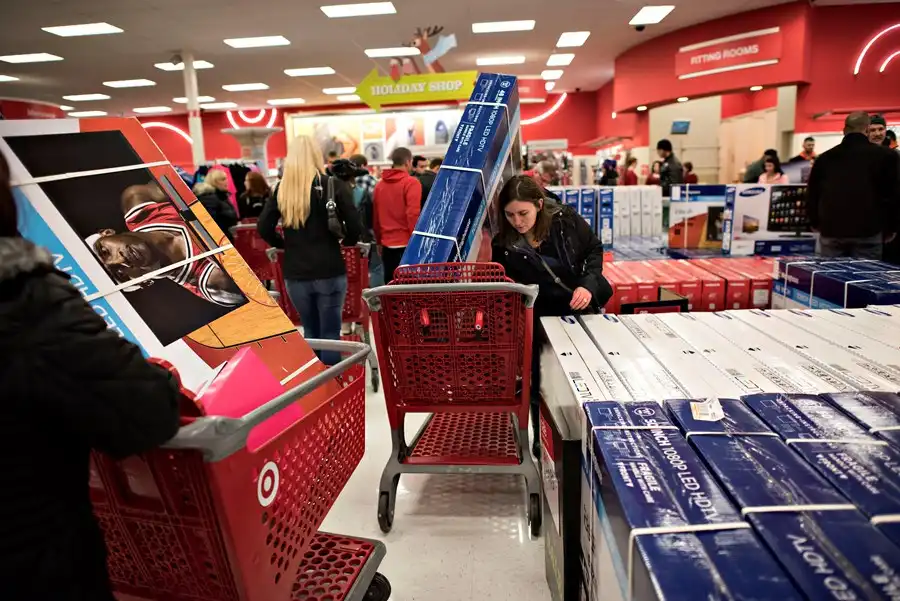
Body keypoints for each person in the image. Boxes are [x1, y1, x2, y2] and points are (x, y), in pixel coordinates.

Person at [0, 151, 184, 600]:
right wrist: (161, 377)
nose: (120, 263)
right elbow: (146, 411)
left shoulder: (141, 201)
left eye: (109, 256)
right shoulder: (28, 302)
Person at [491, 175, 612, 455]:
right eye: (509, 215)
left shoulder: (565, 221)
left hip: (577, 308)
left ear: (539, 205)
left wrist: (588, 285)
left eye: (523, 213)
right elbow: (504, 284)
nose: (517, 221)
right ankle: (541, 437)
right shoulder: (504, 243)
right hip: (537, 316)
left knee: (583, 374)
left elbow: (593, 249)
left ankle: (587, 436)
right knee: (540, 379)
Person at [258, 136, 361, 365]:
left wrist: (284, 244)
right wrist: (346, 242)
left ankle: (315, 380)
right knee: (331, 334)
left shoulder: (281, 190)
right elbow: (355, 225)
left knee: (310, 331)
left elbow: (263, 226)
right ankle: (332, 380)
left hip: (296, 271)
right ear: (317, 155)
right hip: (329, 268)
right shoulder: (334, 185)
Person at [91, 183, 244, 306]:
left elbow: (186, 178)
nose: (121, 260)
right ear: (144, 283)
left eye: (105, 252)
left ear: (107, 233)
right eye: (120, 273)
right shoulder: (215, 283)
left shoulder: (138, 200)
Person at [807, 111, 900, 259]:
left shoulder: (824, 158)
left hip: (832, 229)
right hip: (868, 230)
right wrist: (892, 227)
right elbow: (893, 194)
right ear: (867, 129)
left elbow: (813, 193)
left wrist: (814, 222)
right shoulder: (887, 157)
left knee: (832, 272)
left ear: (844, 130)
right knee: (864, 273)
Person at [373, 147, 421, 283]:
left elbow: (376, 217)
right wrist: (416, 241)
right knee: (410, 288)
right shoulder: (412, 183)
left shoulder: (379, 186)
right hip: (406, 245)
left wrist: (379, 241)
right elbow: (412, 214)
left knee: (391, 288)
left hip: (387, 246)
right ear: (408, 162)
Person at [192, 170, 238, 239]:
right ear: (214, 182)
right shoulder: (209, 198)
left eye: (226, 179)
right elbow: (210, 224)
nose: (226, 181)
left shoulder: (222, 197)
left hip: (224, 238)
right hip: (218, 240)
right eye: (222, 179)